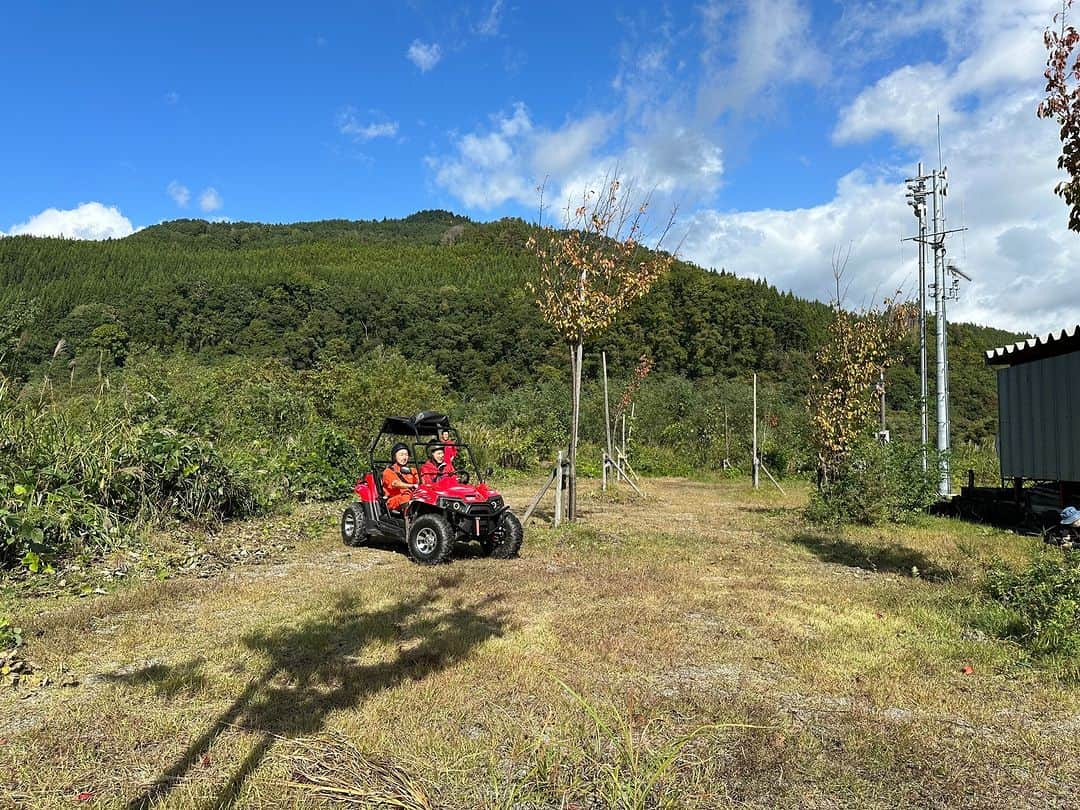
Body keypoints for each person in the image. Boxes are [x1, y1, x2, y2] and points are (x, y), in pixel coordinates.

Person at [382, 443, 418, 511]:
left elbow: (420, 479)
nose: (404, 457)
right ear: (395, 457)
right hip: (394, 500)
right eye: (401, 455)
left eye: (406, 455)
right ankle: (409, 518)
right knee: (407, 497)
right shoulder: (388, 471)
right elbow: (395, 483)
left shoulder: (412, 470)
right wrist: (412, 485)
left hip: (413, 496)